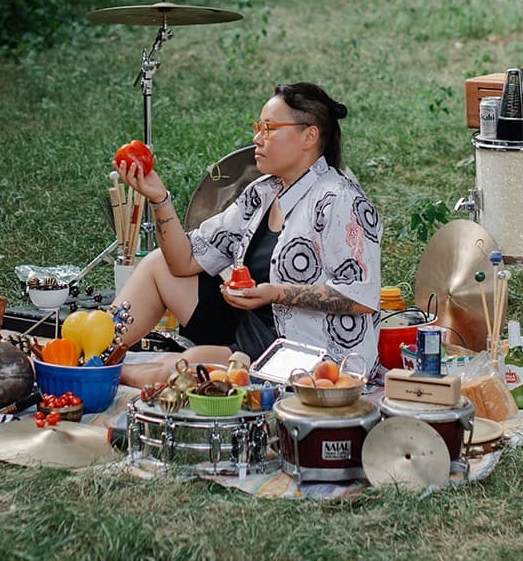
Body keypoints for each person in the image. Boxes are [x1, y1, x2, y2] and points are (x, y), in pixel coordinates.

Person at [111, 82, 382, 388]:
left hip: (307, 352)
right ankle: (94, 350)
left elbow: (361, 296)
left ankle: (101, 372)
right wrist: (159, 198)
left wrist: (274, 293)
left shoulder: (341, 201)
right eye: (258, 127)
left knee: (176, 370)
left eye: (269, 128)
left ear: (309, 136)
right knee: (157, 265)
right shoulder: (263, 192)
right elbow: (183, 262)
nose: (257, 138)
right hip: (249, 328)